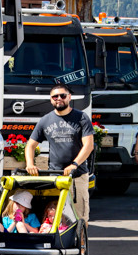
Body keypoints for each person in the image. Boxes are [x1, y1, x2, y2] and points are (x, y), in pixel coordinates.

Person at [26, 83, 95, 223]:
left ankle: (80, 244)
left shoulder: (81, 118)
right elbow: (30, 145)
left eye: (62, 95)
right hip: (55, 177)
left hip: (77, 176)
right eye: (55, 96)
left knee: (80, 217)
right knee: (57, 216)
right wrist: (30, 164)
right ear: (51, 99)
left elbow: (89, 145)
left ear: (69, 97)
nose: (59, 98)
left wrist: (74, 164)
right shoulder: (45, 120)